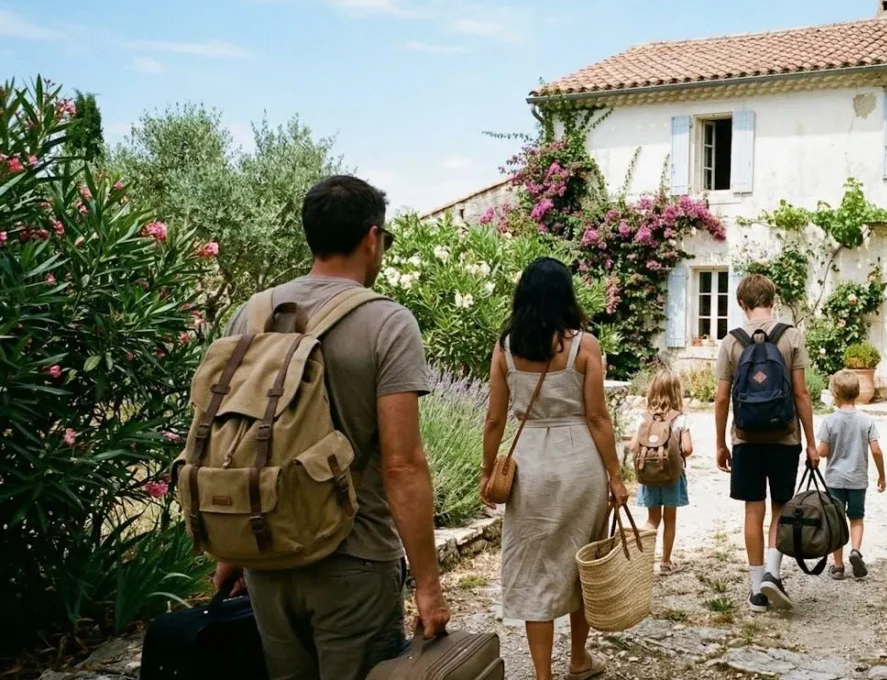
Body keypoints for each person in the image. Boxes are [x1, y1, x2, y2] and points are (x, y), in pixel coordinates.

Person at [213, 175, 449, 680]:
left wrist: (231, 547)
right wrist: (427, 585)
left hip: (266, 552)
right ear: (371, 237)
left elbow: (227, 438)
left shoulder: (250, 315)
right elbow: (402, 464)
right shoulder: (387, 322)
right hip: (354, 561)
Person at [482, 257, 629, 680]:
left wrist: (486, 470)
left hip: (528, 465)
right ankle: (579, 660)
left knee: (536, 570)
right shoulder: (585, 345)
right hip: (579, 462)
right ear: (566, 295)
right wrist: (616, 477)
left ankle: (543, 674)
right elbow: (599, 418)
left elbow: (494, 419)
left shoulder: (505, 347)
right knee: (584, 562)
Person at [714, 274, 818, 613]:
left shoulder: (731, 342)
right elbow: (801, 394)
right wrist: (813, 444)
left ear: (742, 305)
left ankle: (757, 589)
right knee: (780, 509)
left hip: (745, 438)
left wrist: (720, 443)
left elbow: (720, 398)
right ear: (773, 300)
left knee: (752, 510)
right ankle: (774, 573)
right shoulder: (792, 337)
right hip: (785, 437)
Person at [816, 370, 887, 580]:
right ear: (857, 392)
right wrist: (881, 476)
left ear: (835, 394)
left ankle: (837, 566)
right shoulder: (866, 421)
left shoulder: (830, 421)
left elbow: (822, 452)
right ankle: (855, 551)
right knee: (856, 517)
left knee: (836, 521)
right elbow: (876, 451)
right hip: (858, 480)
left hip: (835, 480)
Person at [629, 370, 694, 575]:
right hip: (671, 477)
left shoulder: (643, 419)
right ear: (676, 392)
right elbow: (688, 448)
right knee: (670, 519)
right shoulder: (679, 419)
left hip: (648, 476)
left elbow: (632, 446)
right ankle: (665, 563)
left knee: (652, 519)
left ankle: (644, 563)